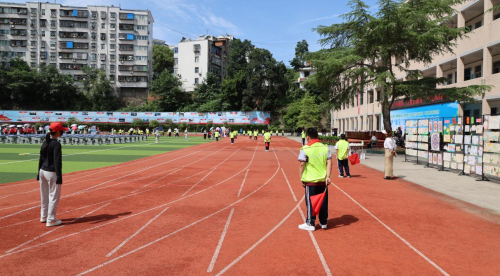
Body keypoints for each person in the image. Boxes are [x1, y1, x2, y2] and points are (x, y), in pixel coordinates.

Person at [298, 128, 332, 231]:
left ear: (307, 137)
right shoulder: (325, 148)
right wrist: (328, 176)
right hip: (322, 180)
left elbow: (302, 163)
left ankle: (310, 222)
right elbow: (329, 162)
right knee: (323, 201)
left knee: (310, 201)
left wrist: (301, 177)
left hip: (311, 180)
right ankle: (323, 222)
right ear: (317, 136)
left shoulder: (305, 148)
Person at [37, 122, 68, 227]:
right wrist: (59, 176)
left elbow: (41, 159)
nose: (63, 132)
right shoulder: (56, 144)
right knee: (53, 196)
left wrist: (38, 173)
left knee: (44, 195)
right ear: (58, 132)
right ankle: (51, 219)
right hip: (51, 172)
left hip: (42, 171)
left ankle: (44, 216)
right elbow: (57, 161)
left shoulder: (45, 142)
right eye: (62, 130)